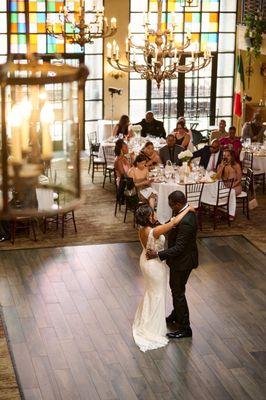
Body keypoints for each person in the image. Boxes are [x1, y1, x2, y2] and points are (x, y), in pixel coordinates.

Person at [133, 203, 193, 352]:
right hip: (154, 266)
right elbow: (173, 223)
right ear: (148, 217)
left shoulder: (142, 229)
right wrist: (187, 210)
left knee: (151, 292)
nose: (155, 215)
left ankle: (147, 321)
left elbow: (166, 225)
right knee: (158, 294)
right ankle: (153, 327)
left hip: (145, 261)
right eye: (152, 213)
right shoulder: (154, 231)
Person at [146, 190, 198, 339]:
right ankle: (176, 315)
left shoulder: (187, 220)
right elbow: (171, 225)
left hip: (183, 262)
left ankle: (185, 328)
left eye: (171, 205)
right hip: (181, 260)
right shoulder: (181, 211)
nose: (170, 208)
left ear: (178, 204)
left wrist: (158, 255)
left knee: (178, 293)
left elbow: (180, 247)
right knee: (177, 289)